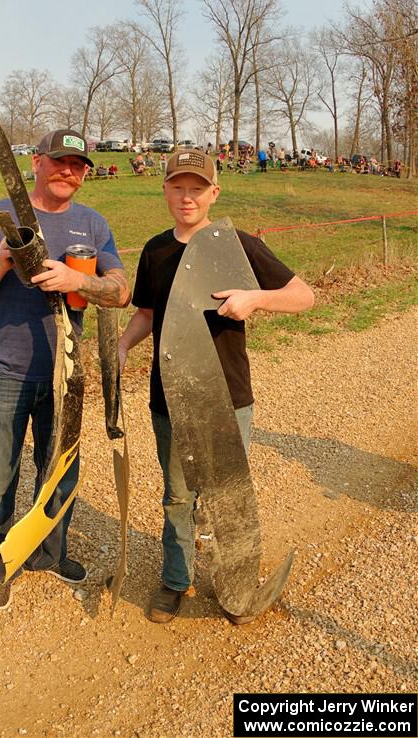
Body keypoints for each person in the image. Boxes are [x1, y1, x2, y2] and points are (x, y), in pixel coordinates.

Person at [118, 150, 314, 624]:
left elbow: (303, 295)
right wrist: (123, 348)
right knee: (178, 495)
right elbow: (146, 313)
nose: (187, 197)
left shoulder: (237, 244)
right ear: (165, 190)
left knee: (227, 495)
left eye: (197, 188)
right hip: (170, 394)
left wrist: (256, 298)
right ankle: (174, 580)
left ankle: (238, 586)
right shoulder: (154, 250)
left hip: (227, 394)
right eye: (178, 187)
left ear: (214, 193)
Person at [0, 129, 131, 610]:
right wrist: (3, 263)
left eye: (78, 164)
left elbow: (121, 291)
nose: (68, 171)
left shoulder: (92, 224)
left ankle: (48, 555)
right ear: (36, 163)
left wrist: (78, 280)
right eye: (58, 161)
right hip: (2, 370)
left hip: (64, 375)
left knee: (60, 474)